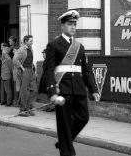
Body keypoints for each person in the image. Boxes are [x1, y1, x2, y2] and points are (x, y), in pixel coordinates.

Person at [40, 10, 99, 156]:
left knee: (83, 118)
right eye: (69, 24)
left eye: (74, 24)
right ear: (62, 26)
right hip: (63, 89)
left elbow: (86, 71)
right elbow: (49, 70)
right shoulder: (54, 45)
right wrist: (52, 92)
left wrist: (93, 89)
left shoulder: (79, 47)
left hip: (78, 89)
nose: (73, 27)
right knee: (64, 124)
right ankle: (67, 151)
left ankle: (63, 142)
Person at [15, 35, 37, 116]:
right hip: (25, 71)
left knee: (34, 89)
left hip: (31, 70)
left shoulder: (31, 49)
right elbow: (15, 60)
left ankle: (29, 108)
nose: (32, 42)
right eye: (30, 41)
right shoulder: (21, 49)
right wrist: (22, 68)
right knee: (24, 91)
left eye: (32, 41)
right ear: (25, 41)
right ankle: (22, 110)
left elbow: (30, 60)